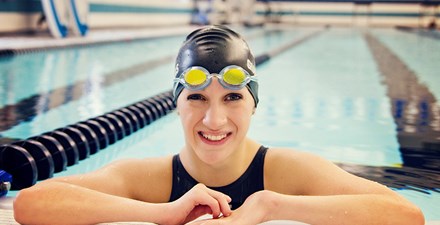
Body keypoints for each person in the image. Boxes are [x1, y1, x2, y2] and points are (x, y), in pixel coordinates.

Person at [14, 25, 424, 225]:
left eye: (232, 98)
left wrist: (272, 204)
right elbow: (31, 203)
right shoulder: (152, 178)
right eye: (196, 98)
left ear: (254, 105)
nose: (214, 120)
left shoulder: (283, 171)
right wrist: (162, 212)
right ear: (176, 105)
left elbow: (405, 214)